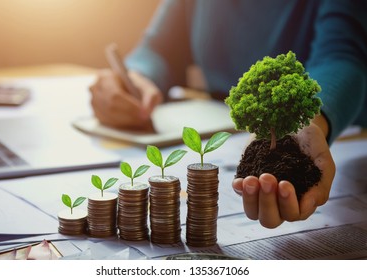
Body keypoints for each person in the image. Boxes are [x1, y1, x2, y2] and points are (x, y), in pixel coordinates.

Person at [89, 0, 367, 228]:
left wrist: (308, 118)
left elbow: (342, 55)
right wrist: (136, 78)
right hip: (230, 121)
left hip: (349, 135)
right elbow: (160, 47)